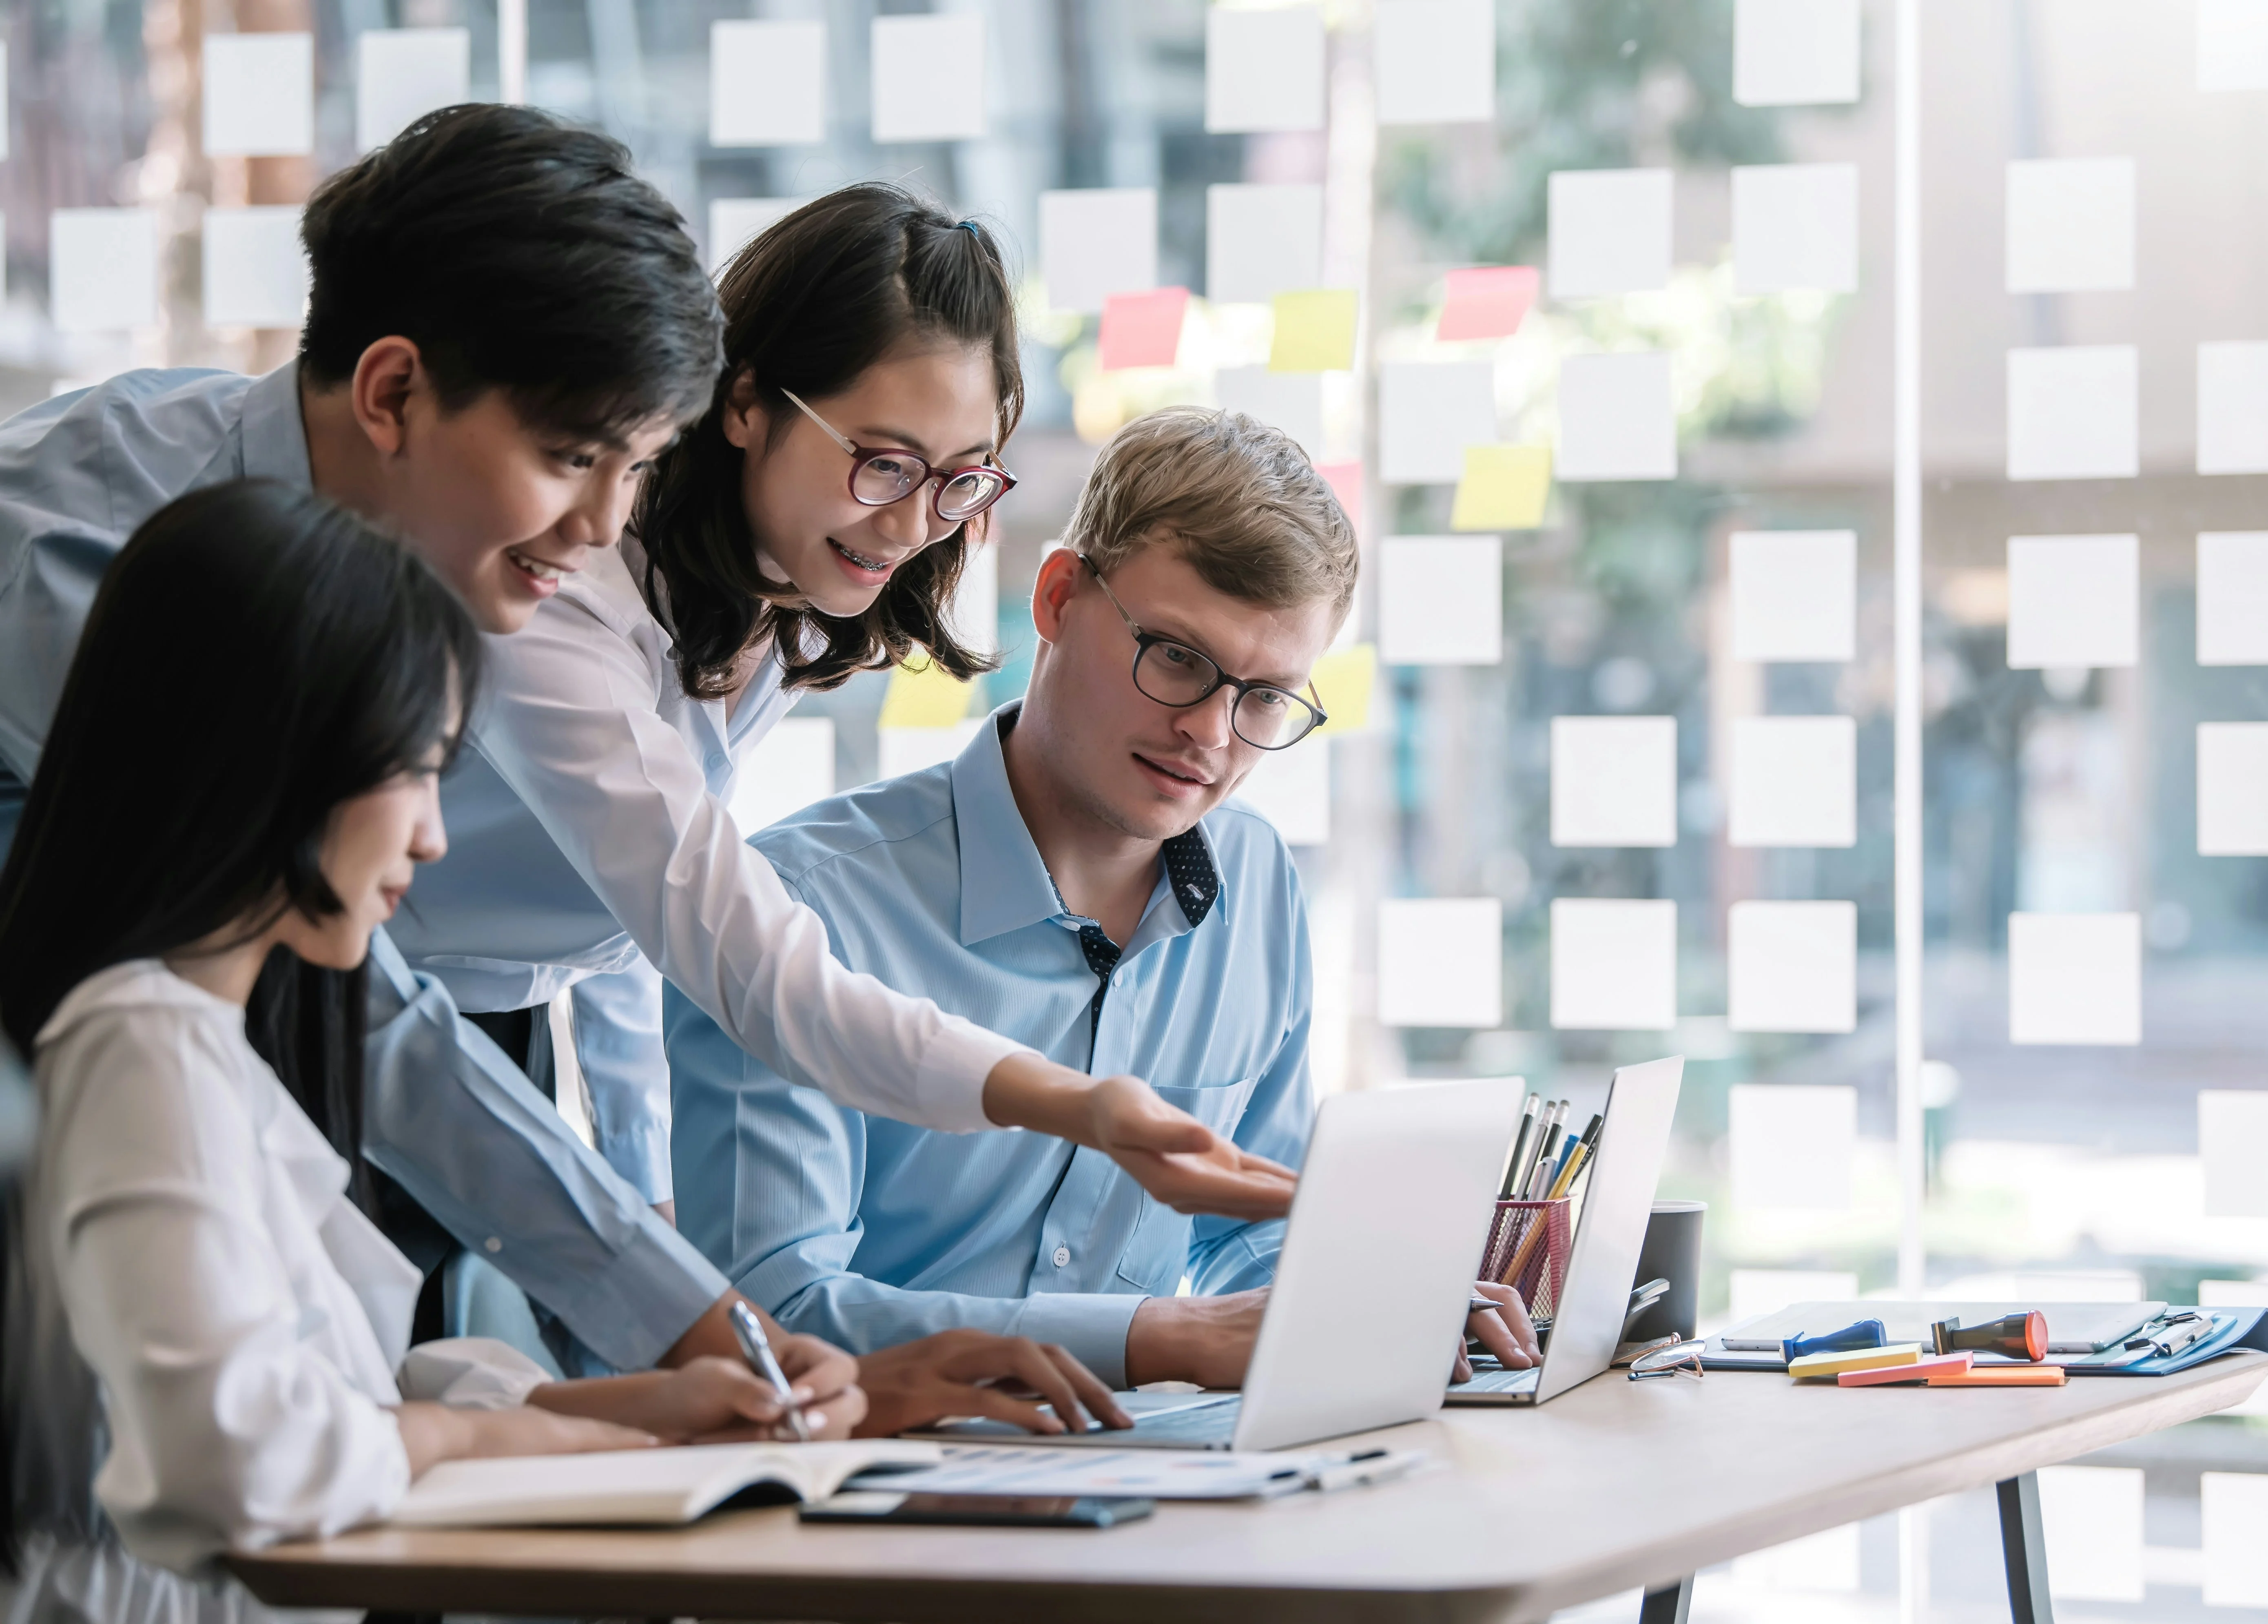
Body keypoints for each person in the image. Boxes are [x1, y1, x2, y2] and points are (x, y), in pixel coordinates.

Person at [0, 111, 1282, 1392]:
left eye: (958, 480)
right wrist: (1067, 1108)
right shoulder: (94, 559)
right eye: (573, 459)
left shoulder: (685, 593)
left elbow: (594, 939)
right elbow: (652, 957)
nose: (598, 526)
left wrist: (695, 1308)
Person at [0, 483, 851, 1621]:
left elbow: (340, 1391)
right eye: (414, 769)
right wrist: (471, 1430)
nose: (435, 836)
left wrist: (647, 1411)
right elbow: (246, 1453)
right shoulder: (139, 1045)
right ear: (278, 752)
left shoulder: (205, 1049)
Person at [670, 409, 1539, 1415]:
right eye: (1175, 657)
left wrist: (1361, 1297)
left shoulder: (1253, 879)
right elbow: (766, 1322)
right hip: (856, 1506)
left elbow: (1242, 1224)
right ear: (1056, 597)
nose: (1209, 734)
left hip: (1146, 1486)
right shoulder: (793, 907)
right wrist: (1156, 1336)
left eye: (1264, 698)